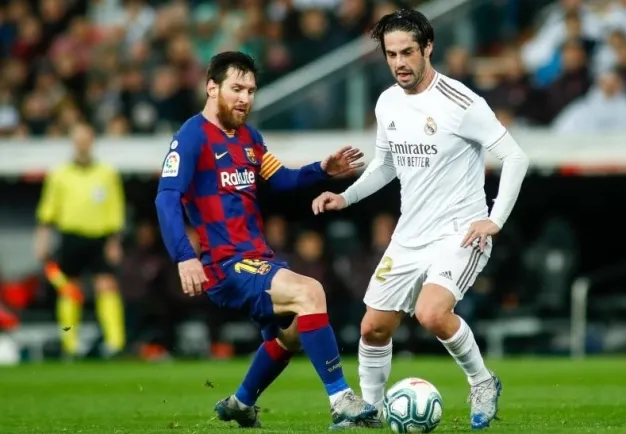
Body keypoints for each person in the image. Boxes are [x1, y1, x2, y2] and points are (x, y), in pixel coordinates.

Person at [312, 9, 529, 430]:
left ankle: (482, 382)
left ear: (428, 47)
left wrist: (495, 219)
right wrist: (345, 197)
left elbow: (515, 156)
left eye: (407, 52)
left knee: (432, 313)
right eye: (390, 54)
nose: (399, 62)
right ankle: (370, 412)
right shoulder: (387, 101)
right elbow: (386, 165)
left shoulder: (461, 102)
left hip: (459, 232)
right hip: (409, 235)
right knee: (373, 328)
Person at [153, 51, 376, 429]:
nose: (245, 98)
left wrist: (322, 169)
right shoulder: (191, 137)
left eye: (251, 91)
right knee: (310, 292)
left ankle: (241, 403)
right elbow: (166, 197)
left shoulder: (249, 138)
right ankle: (341, 401)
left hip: (258, 257)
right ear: (212, 88)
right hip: (225, 264)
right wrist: (184, 256)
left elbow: (282, 179)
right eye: (236, 89)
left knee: (292, 335)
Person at [34, 123, 126, 359]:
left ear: (92, 142)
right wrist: (42, 240)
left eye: (87, 140)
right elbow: (48, 211)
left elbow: (116, 209)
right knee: (70, 289)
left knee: (107, 286)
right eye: (79, 140)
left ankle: (115, 344)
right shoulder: (59, 174)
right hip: (71, 237)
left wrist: (115, 241)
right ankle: (70, 345)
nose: (83, 144)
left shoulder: (106, 173)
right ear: (73, 143)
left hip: (100, 237)